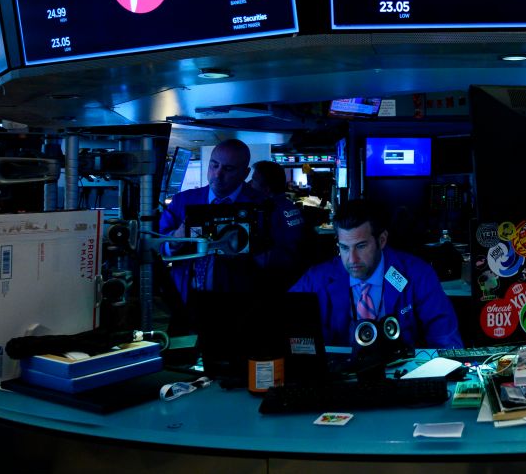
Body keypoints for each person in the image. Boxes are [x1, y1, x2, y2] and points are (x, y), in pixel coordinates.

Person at [290, 198, 463, 349]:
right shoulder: (316, 279)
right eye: (344, 248)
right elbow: (284, 324)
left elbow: (447, 343)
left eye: (361, 246)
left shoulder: (418, 275)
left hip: (402, 376)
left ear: (381, 240)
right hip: (340, 378)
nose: (352, 259)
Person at [159, 139, 267, 301]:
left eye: (228, 169)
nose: (217, 174)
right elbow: (156, 247)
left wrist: (249, 255)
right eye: (214, 165)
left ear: (245, 174)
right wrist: (175, 239)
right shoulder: (182, 201)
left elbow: (282, 259)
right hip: (187, 298)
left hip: (242, 303)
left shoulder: (263, 206)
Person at [248, 160, 309, 288]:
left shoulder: (267, 212)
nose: (249, 184)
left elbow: (267, 254)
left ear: (267, 188)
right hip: (295, 275)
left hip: (276, 279)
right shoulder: (289, 206)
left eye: (254, 180)